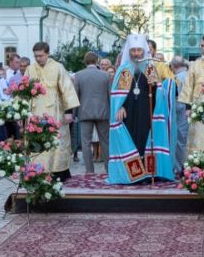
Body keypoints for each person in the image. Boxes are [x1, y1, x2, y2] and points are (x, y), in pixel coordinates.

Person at [108, 34, 176, 184]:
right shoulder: (125, 70)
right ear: (129, 52)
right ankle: (132, 174)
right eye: (133, 51)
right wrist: (119, 108)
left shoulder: (149, 69)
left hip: (147, 111)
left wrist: (159, 91)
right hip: (129, 112)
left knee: (146, 140)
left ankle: (148, 173)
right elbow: (118, 95)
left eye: (139, 50)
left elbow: (159, 91)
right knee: (131, 140)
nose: (136, 54)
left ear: (144, 51)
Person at [26, 42, 80, 180]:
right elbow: (23, 91)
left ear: (47, 53)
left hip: (55, 112)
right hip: (35, 112)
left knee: (56, 142)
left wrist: (69, 111)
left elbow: (67, 90)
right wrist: (21, 112)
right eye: (36, 56)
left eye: (41, 56)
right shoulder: (30, 69)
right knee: (37, 141)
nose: (38, 59)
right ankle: (37, 172)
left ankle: (58, 172)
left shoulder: (58, 67)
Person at [73, 51, 111, 175]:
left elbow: (75, 97)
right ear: (97, 61)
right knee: (105, 141)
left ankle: (89, 170)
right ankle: (108, 168)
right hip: (103, 112)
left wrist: (74, 114)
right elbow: (110, 95)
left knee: (86, 142)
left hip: (84, 112)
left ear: (85, 61)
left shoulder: (78, 75)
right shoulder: (106, 75)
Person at [170, 56, 189, 171]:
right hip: (194, 110)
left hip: (181, 111)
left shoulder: (176, 79)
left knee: (180, 141)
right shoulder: (191, 75)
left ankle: (180, 168)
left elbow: (174, 97)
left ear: (173, 66)